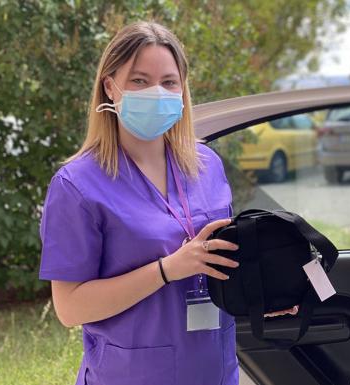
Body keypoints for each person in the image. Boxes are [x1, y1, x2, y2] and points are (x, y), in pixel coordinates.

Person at [38, 21, 295, 385]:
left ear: (182, 91)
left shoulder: (206, 165)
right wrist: (166, 269)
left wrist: (265, 293)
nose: (157, 92)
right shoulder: (77, 185)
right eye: (140, 81)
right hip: (131, 375)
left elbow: (217, 260)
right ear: (110, 87)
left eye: (169, 82)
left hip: (213, 370)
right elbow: (69, 307)